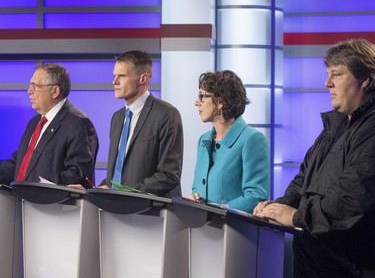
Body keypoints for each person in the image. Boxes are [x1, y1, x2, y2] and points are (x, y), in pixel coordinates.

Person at [253, 39, 375, 278]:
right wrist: (278, 206)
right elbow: (303, 180)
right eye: (328, 74)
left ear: (366, 80)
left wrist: (296, 216)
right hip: (313, 264)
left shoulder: (370, 130)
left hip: (348, 269)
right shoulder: (336, 125)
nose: (327, 83)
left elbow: (351, 202)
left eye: (337, 75)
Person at [99, 50, 184, 198]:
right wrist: (94, 188)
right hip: (115, 207)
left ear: (143, 79)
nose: (115, 81)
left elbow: (168, 175)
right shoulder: (117, 118)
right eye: (115, 75)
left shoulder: (166, 114)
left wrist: (125, 192)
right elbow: (118, 174)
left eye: (122, 76)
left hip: (150, 212)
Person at [0, 63, 99, 186]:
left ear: (55, 91)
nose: (29, 91)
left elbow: (78, 173)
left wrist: (38, 186)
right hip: (21, 201)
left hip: (51, 202)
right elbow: (19, 165)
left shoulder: (78, 123)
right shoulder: (34, 122)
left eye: (35, 86)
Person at [188, 70, 270, 213]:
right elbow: (197, 187)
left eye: (202, 96)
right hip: (200, 227)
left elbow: (256, 196)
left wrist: (221, 210)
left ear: (220, 102)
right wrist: (194, 199)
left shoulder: (252, 139)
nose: (197, 102)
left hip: (232, 229)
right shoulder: (203, 140)